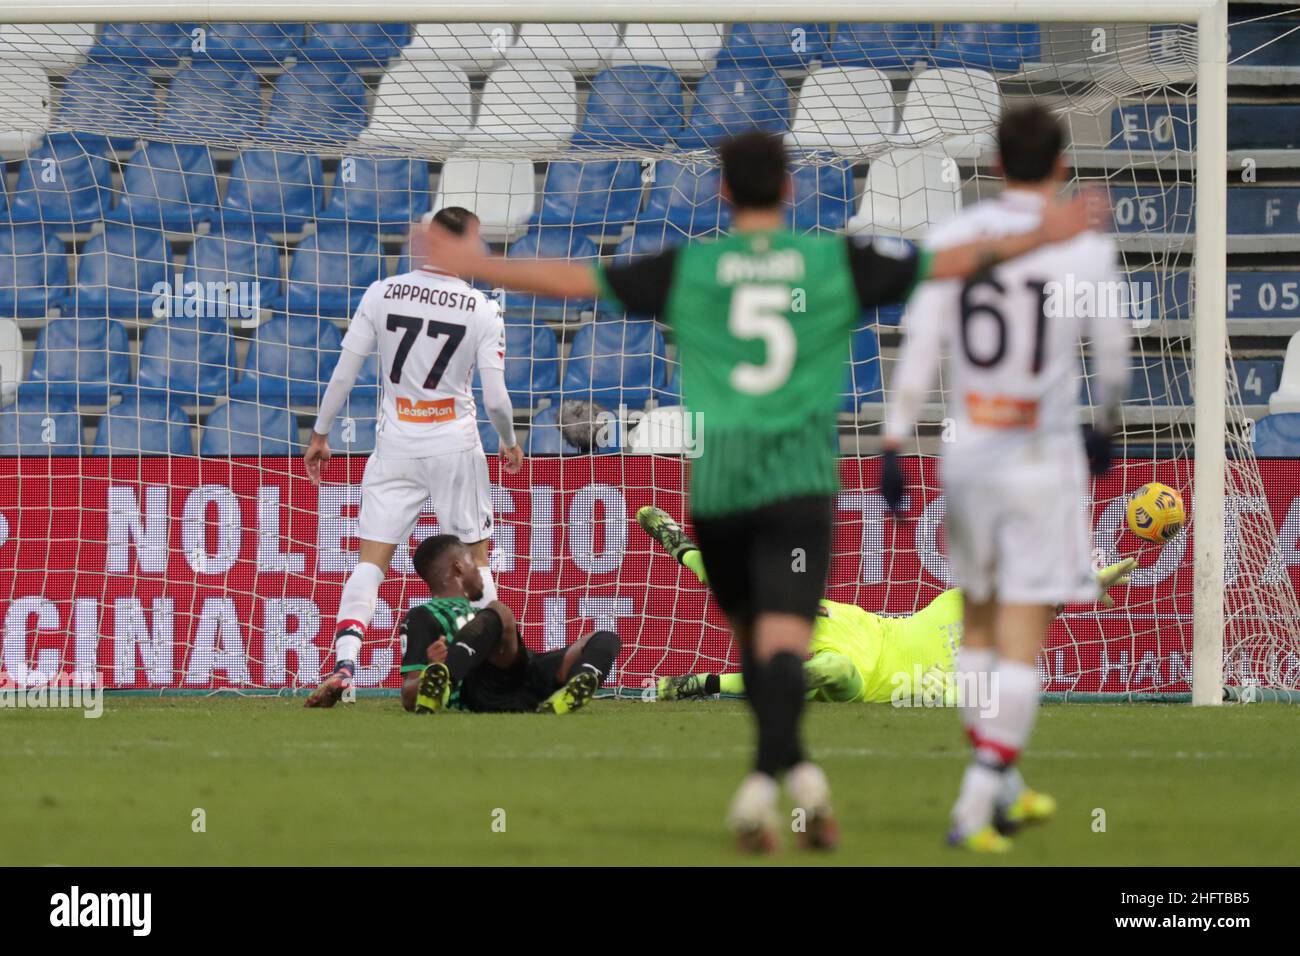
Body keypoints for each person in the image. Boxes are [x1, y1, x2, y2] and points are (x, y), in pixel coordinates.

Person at [419, 129, 1103, 853]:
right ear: (790, 189)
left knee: (762, 653)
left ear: (722, 191)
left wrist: (478, 263)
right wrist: (1043, 231)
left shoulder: (695, 269)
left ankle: (792, 784)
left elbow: (580, 280)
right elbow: (950, 263)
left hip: (721, 496)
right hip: (798, 493)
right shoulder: (832, 263)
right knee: (782, 651)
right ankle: (773, 783)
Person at [880, 104, 1130, 852]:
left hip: (969, 458)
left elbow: (920, 349)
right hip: (1041, 456)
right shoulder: (1082, 248)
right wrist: (1105, 428)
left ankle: (1003, 793)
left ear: (994, 163)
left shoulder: (955, 239)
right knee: (1024, 633)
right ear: (1059, 167)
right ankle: (978, 797)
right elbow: (1112, 357)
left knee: (980, 629)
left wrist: (894, 439)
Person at [640, 505, 1135, 836]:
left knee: (829, 671)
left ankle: (702, 682)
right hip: (871, 629)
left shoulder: (974, 688)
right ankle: (683, 548)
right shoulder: (965, 607)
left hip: (873, 680)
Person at [302, 207, 524, 709]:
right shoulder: (481, 308)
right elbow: (494, 400)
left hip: (395, 443)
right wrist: (509, 440)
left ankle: (344, 666)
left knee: (370, 565)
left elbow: (344, 371)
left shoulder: (382, 292)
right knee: (475, 562)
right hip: (455, 444)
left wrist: (320, 433)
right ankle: (489, 673)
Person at [399, 534, 621, 715]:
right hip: (485, 687)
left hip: (527, 677)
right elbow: (408, 696)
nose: (479, 572)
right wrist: (428, 674)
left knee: (604, 638)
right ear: (458, 568)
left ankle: (578, 684)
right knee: (498, 610)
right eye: (474, 566)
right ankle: (446, 676)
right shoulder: (422, 616)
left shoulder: (479, 615)